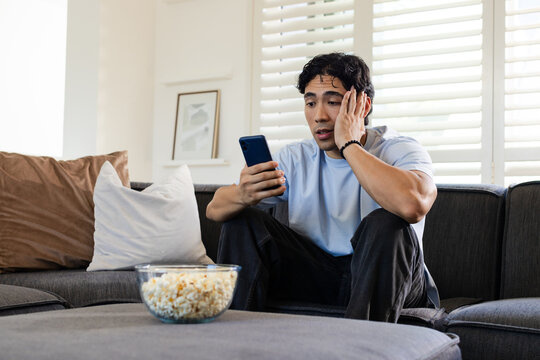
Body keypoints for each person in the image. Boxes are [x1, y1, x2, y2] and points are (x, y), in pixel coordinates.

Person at [206, 52, 440, 322]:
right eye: (310, 103)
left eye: (332, 102)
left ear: (362, 107)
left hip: (392, 278)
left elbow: (413, 206)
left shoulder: (399, 148)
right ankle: (232, 341)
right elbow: (214, 210)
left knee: (387, 223)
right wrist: (241, 194)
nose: (319, 116)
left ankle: (362, 348)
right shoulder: (295, 158)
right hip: (318, 276)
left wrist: (349, 145)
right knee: (241, 220)